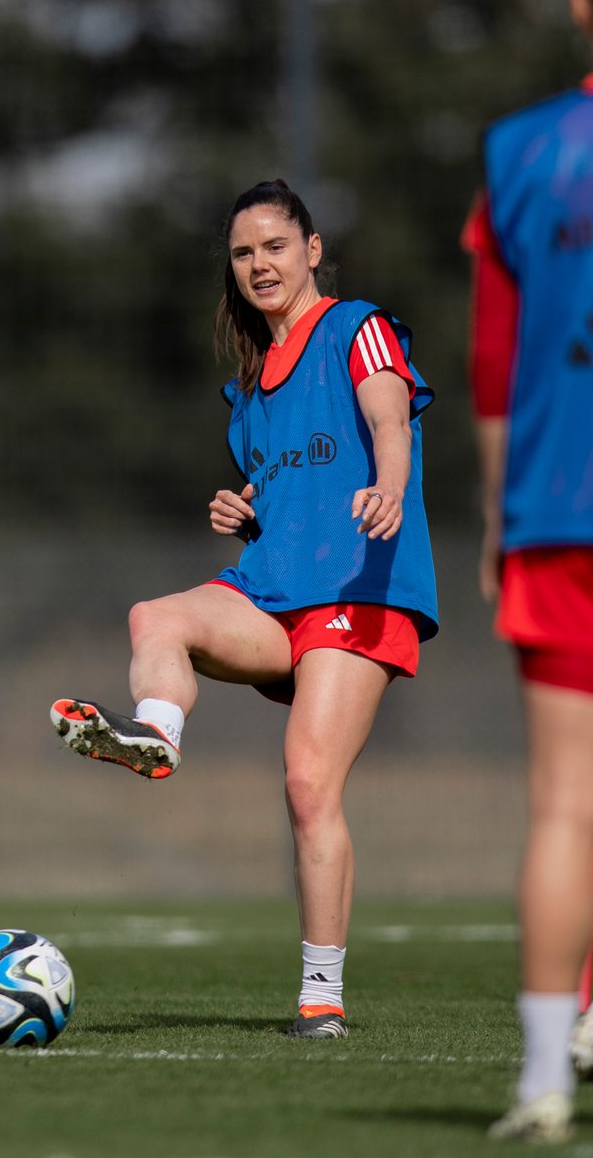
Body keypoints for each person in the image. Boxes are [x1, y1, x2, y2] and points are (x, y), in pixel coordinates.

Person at [50, 179, 438, 1040]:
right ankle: (156, 733)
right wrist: (245, 510)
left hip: (358, 593)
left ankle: (320, 997)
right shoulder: (252, 385)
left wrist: (389, 485)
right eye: (241, 252)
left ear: (311, 249)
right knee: (156, 617)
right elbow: (287, 485)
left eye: (273, 245)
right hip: (274, 588)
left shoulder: (356, 326)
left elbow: (387, 418)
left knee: (307, 784)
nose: (258, 263)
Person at [463, 0, 593, 1144]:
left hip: (556, 511)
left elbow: (494, 369)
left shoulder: (519, 153)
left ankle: (544, 1081)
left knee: (562, 803)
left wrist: (500, 515)